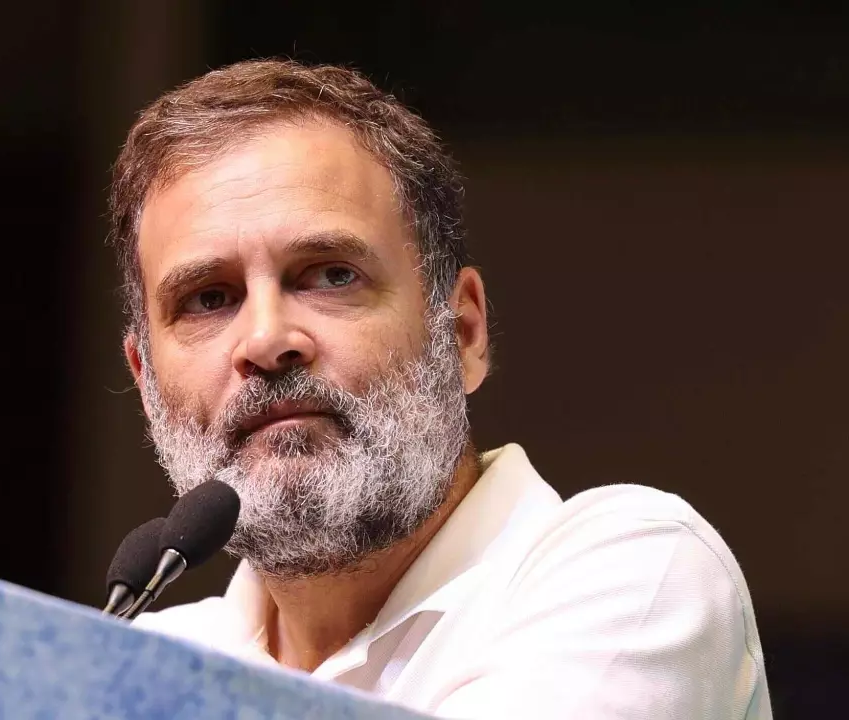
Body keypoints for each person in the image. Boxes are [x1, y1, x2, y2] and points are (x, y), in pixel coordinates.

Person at [110, 58, 772, 718]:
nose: (265, 339)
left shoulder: (632, 578)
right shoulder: (134, 664)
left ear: (461, 332)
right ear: (146, 382)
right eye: (209, 298)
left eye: (331, 275)